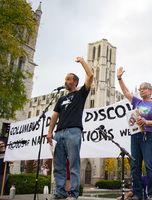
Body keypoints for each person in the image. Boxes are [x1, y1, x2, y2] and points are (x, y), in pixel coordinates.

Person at [47, 57, 93, 200]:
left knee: (73, 164)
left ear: (75, 82)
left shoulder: (80, 94)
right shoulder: (61, 99)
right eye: (65, 79)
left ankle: (73, 192)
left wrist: (82, 61)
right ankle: (60, 192)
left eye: (68, 79)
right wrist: (50, 133)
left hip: (73, 132)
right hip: (58, 134)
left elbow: (90, 75)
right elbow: (55, 116)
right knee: (59, 165)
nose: (65, 81)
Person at [117, 67, 152, 200]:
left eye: (143, 88)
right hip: (135, 136)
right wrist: (119, 78)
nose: (141, 90)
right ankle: (137, 194)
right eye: (140, 89)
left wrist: (147, 122)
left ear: (149, 90)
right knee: (135, 166)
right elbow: (126, 92)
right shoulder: (137, 102)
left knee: (149, 165)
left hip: (148, 136)